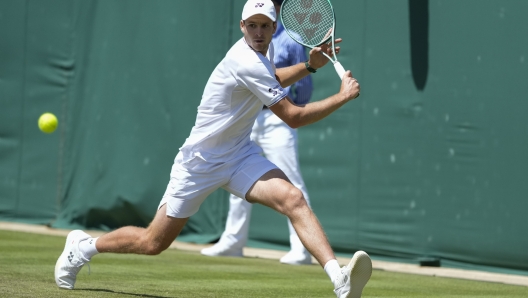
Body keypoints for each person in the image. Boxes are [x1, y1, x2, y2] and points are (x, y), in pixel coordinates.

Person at [54, 0, 371, 297]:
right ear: (242, 26)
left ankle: (339, 281)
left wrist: (309, 66)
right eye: (253, 26)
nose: (259, 32)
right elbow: (294, 117)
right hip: (199, 163)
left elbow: (271, 76)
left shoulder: (262, 56)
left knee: (293, 198)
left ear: (274, 28)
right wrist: (341, 97)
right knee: (153, 242)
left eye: (265, 26)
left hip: (238, 156)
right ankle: (82, 247)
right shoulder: (245, 60)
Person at [200, 0, 314, 265]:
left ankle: (301, 249)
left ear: (278, 9)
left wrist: (291, 107)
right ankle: (233, 241)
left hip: (278, 119)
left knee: (291, 181)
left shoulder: (291, 40)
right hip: (249, 119)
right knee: (240, 177)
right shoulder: (250, 40)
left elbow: (304, 84)